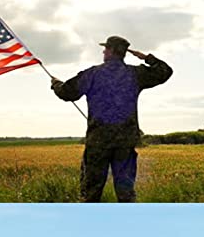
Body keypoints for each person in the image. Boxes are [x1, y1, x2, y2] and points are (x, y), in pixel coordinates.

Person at [50, 35, 173, 202]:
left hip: (98, 143)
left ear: (111, 51)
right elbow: (165, 72)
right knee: (126, 193)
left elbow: (66, 93)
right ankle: (126, 224)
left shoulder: (93, 74)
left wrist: (56, 84)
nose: (103, 51)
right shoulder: (135, 74)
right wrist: (146, 58)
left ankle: (89, 225)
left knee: (91, 193)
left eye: (106, 48)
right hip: (125, 144)